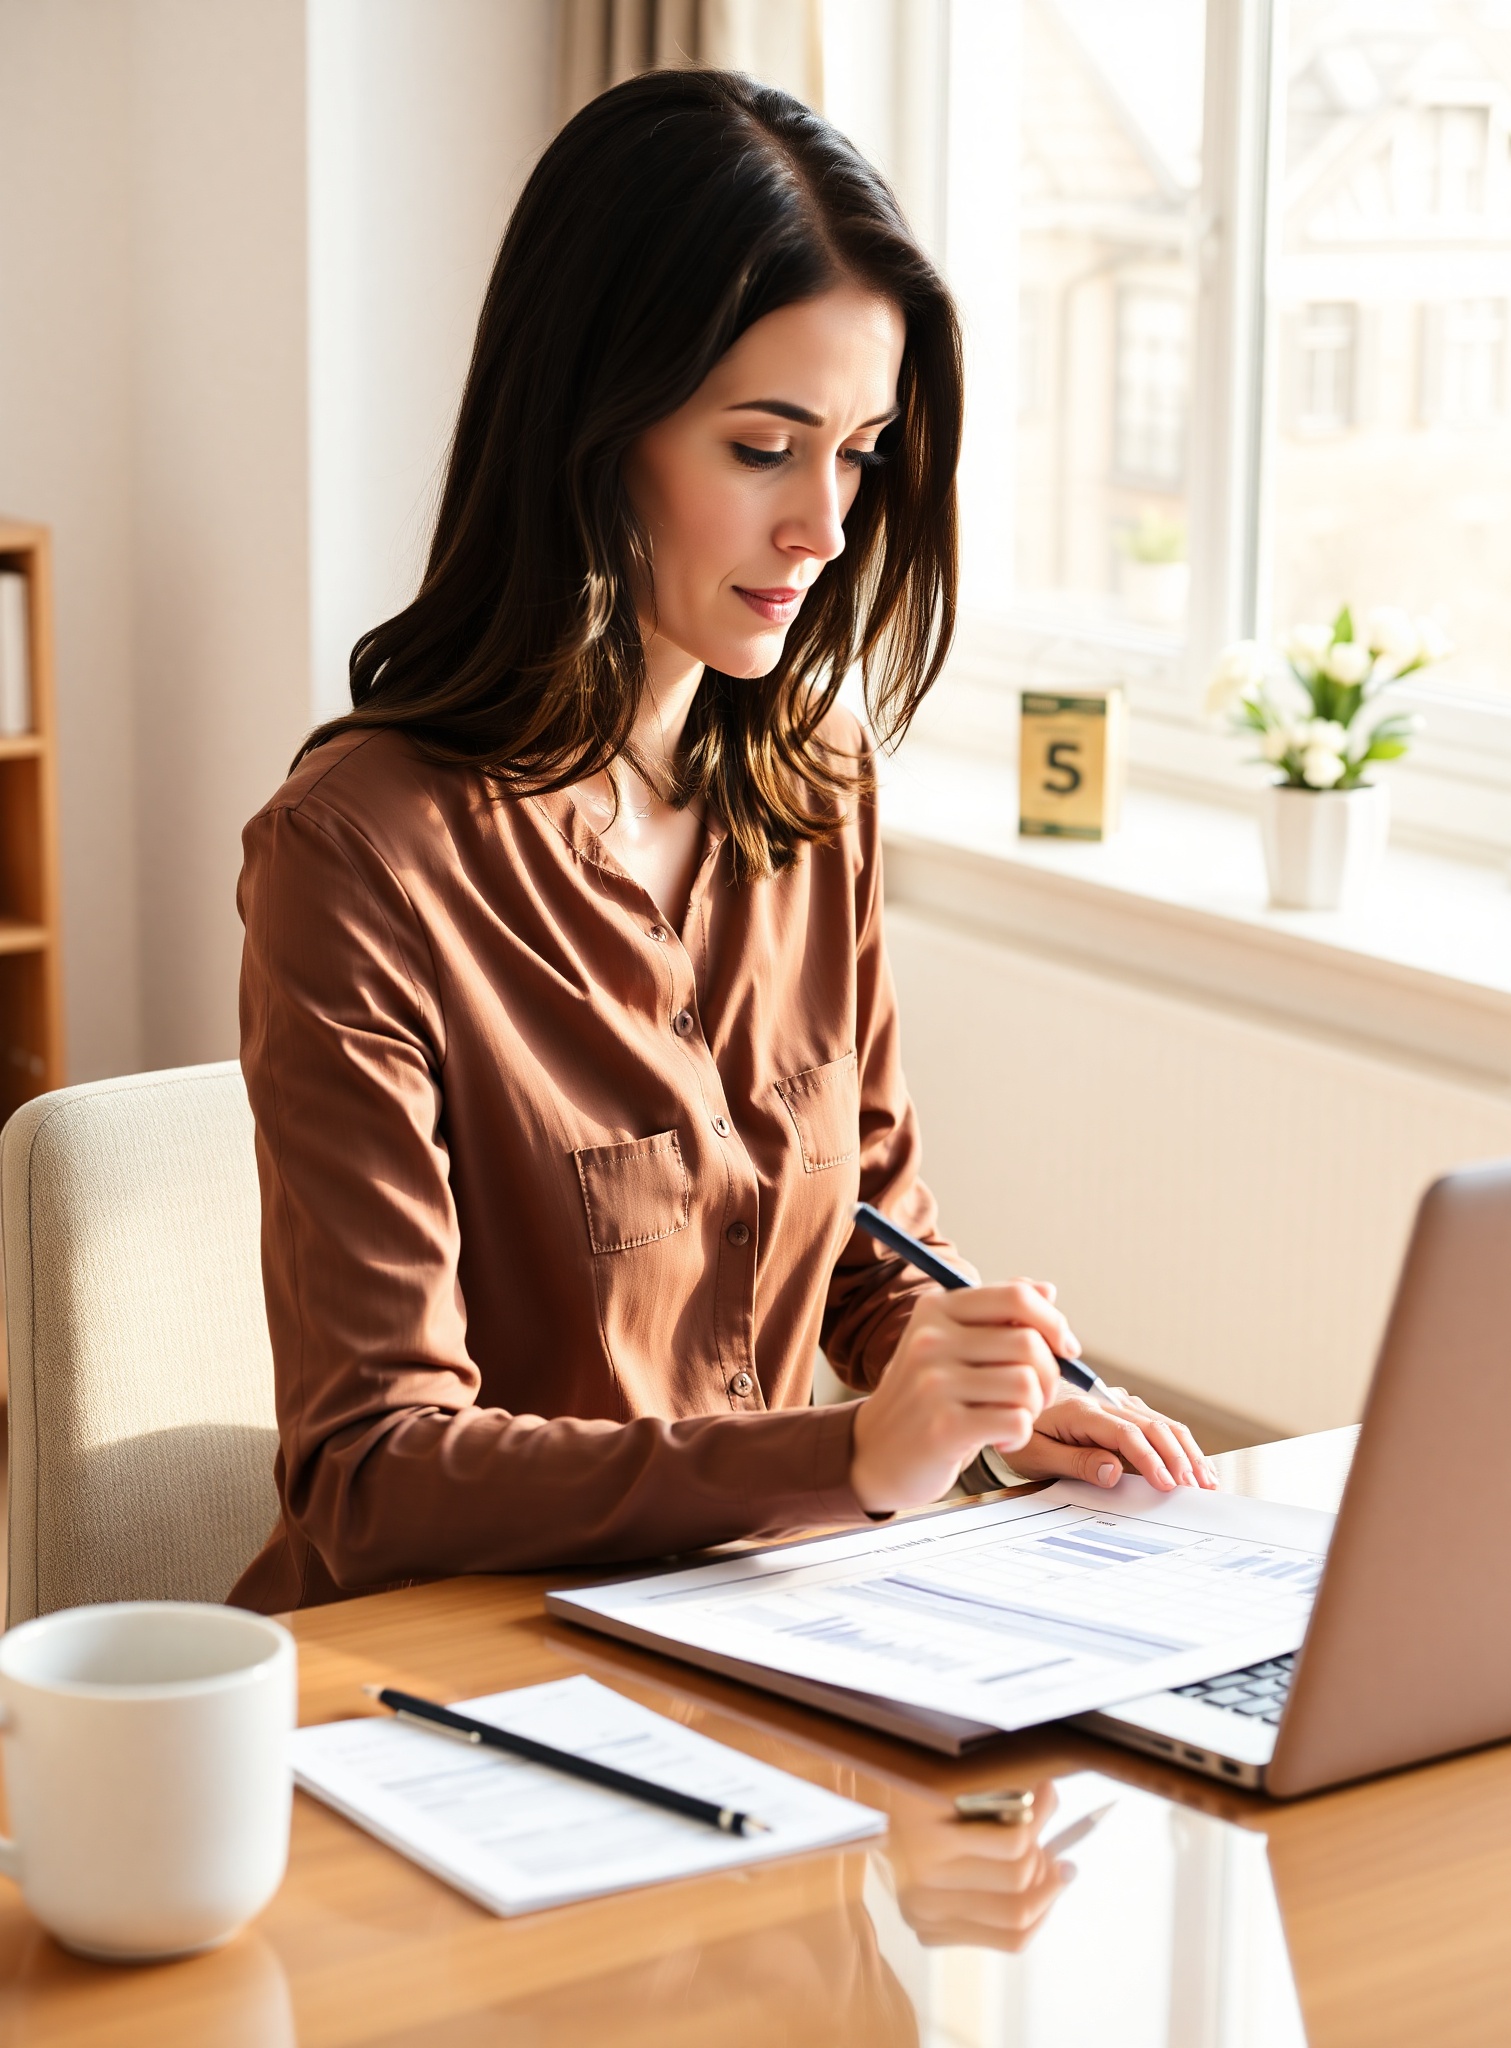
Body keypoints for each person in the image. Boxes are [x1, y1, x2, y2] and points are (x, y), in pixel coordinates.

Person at [229, 69, 1212, 1614]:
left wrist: (994, 1395)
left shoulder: (817, 782)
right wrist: (839, 1463)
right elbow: (370, 1472)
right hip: (456, 1681)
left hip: (752, 1627)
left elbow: (869, 1234)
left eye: (861, 449)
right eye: (764, 447)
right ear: (594, 429)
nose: (825, 527)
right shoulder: (360, 856)